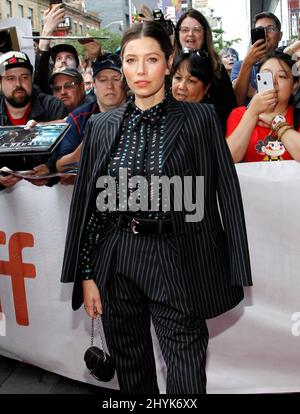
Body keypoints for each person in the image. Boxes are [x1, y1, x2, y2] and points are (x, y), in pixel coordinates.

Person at [61, 21, 252, 394]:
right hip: (117, 256)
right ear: (123, 68)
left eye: (151, 59)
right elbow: (90, 205)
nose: (141, 70)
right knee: (131, 366)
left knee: (185, 365)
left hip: (177, 255)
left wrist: (234, 264)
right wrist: (87, 273)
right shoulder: (101, 125)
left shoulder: (199, 119)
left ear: (167, 62)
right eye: (131, 61)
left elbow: (226, 190)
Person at [0, 51, 67, 190]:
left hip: (53, 200)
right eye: (10, 78)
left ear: (31, 79)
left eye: (24, 77)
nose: (18, 84)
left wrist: (50, 168)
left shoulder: (53, 106)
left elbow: (68, 150)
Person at [226, 52, 300, 163]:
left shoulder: (298, 116)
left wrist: (277, 124)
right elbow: (229, 158)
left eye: (282, 76)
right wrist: (252, 113)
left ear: (295, 85)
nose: (274, 82)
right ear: (257, 81)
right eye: (266, 76)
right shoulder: (239, 114)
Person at [174, 8, 237, 132]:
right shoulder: (167, 65)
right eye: (185, 30)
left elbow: (230, 109)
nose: (190, 34)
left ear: (205, 34)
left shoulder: (216, 67)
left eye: (196, 30)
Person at [231, 12, 282, 106]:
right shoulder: (240, 65)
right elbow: (237, 102)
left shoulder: (287, 63)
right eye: (260, 30)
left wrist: (253, 92)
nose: (265, 34)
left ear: (280, 35)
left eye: (270, 29)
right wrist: (248, 63)